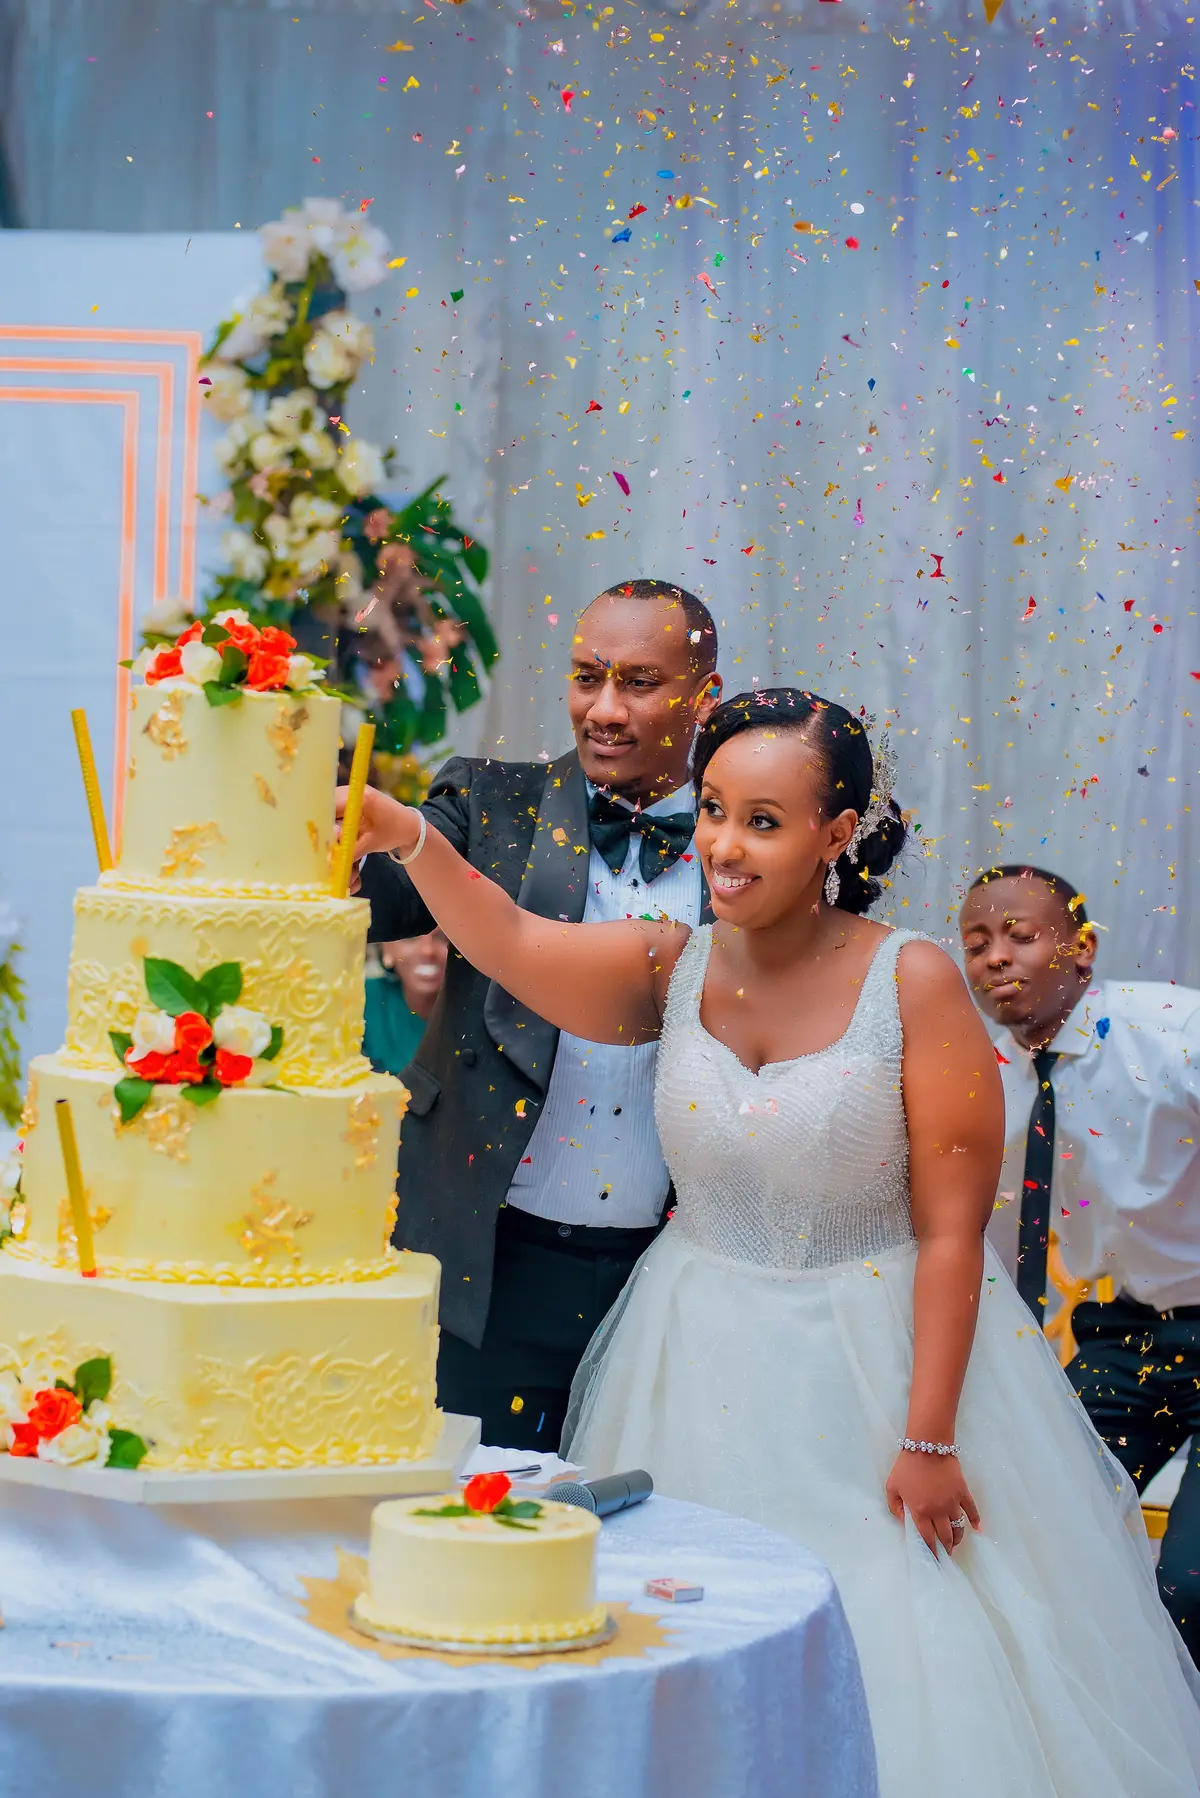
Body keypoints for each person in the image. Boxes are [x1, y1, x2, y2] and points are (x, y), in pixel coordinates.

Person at [342, 688, 1200, 1798]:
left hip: (876, 1369)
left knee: (897, 1644)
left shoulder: (917, 980)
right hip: (690, 1358)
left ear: (836, 836)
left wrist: (929, 1440)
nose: (722, 846)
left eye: (762, 820)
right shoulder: (672, 964)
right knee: (685, 1644)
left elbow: (954, 1234)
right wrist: (406, 831)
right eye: (711, 811)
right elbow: (511, 940)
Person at [352, 578, 722, 1450]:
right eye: (587, 676)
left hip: (670, 1277)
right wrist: (344, 834)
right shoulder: (490, 801)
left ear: (702, 697)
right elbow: (384, 899)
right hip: (489, 1260)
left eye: (637, 682)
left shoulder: (742, 840)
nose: (603, 707)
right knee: (463, 1525)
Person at [959, 863, 1200, 1663]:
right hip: (1122, 1336)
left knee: (1190, 1582)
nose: (996, 957)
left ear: (1084, 949)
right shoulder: (995, 1085)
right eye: (976, 943)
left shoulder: (1171, 1032)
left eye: (1021, 937)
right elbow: (988, 1238)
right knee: (1050, 1538)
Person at [362, 930, 447, 1080]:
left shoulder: (482, 1011)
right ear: (386, 947)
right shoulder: (359, 1003)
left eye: (444, 938)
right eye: (411, 937)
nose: (428, 951)